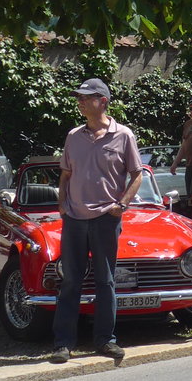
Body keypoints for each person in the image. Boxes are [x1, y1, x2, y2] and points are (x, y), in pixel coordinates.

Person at [50, 78, 143, 365]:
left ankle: (105, 340)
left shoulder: (123, 135)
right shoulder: (73, 136)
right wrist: (62, 204)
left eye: (86, 97)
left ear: (102, 101)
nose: (80, 101)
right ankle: (63, 344)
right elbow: (66, 174)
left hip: (106, 218)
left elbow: (137, 174)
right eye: (78, 97)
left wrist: (122, 205)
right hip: (74, 218)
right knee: (70, 281)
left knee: (106, 281)